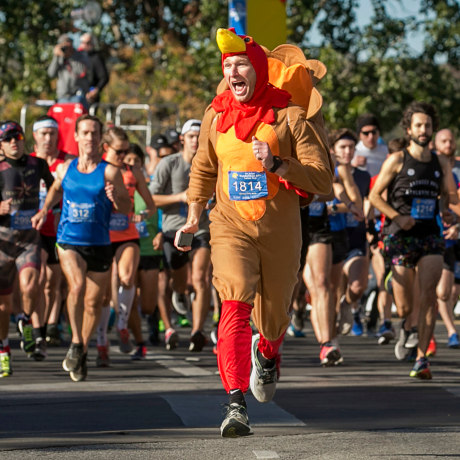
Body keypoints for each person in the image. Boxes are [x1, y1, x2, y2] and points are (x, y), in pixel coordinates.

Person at [174, 28, 333, 437]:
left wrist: (278, 163)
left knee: (274, 316)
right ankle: (234, 401)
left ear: (259, 70)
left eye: (241, 63)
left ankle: (268, 352)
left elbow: (322, 179)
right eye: (227, 66)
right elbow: (204, 169)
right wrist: (193, 215)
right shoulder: (215, 113)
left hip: (280, 230)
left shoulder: (289, 116)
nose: (233, 72)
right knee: (234, 298)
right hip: (229, 226)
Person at [31, 114, 131, 382]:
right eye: (84, 133)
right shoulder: (65, 168)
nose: (89, 137)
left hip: (99, 242)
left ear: (100, 139)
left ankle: (82, 348)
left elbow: (125, 208)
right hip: (68, 240)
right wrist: (44, 211)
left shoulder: (110, 171)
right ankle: (76, 342)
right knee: (76, 287)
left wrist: (116, 197)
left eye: (94, 133)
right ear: (76, 136)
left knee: (94, 302)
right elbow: (54, 189)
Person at [369, 101, 457, 379]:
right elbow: (374, 196)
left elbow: (449, 196)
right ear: (408, 129)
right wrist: (398, 216)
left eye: (427, 125)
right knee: (406, 307)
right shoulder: (397, 160)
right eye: (418, 125)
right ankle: (406, 324)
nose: (423, 129)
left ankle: (421, 359)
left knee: (428, 297)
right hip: (401, 235)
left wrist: (447, 210)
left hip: (430, 234)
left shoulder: (440, 162)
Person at [150, 119, 212, 352]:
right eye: (192, 136)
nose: (196, 140)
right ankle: (179, 293)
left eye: (200, 136)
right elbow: (152, 198)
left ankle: (197, 331)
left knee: (200, 278)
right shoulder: (168, 164)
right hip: (174, 230)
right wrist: (179, 197)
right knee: (178, 281)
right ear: (182, 140)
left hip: (201, 230)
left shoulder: (211, 164)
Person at [0, 121, 54, 377]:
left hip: (29, 239)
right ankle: (3, 351)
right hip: (3, 242)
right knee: (2, 306)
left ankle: (25, 320)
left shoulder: (37, 164)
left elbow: (55, 188)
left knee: (32, 285)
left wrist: (45, 210)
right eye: (8, 138)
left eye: (17, 136)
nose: (14, 141)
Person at [97, 127, 156, 362]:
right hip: (101, 235)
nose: (123, 156)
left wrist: (142, 216)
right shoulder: (96, 170)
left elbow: (151, 206)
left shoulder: (134, 172)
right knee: (102, 295)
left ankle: (122, 325)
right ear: (106, 149)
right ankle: (102, 341)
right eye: (118, 152)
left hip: (127, 233)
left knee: (127, 276)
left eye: (125, 151)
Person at [29, 116, 68, 359]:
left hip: (60, 229)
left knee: (52, 283)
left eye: (51, 134)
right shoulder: (28, 163)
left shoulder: (66, 163)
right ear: (34, 136)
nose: (47, 139)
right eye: (43, 133)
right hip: (33, 230)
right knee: (37, 279)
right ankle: (38, 330)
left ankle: (51, 324)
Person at [47, 34, 90, 108]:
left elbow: (81, 71)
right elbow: (51, 73)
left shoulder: (80, 55)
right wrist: (56, 56)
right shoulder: (60, 57)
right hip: (63, 97)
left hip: (78, 96)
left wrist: (70, 56)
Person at [78, 33, 109, 106]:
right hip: (76, 95)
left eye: (88, 43)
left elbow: (104, 77)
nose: (85, 45)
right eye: (82, 42)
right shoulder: (77, 57)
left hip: (90, 96)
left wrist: (96, 90)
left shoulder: (96, 58)